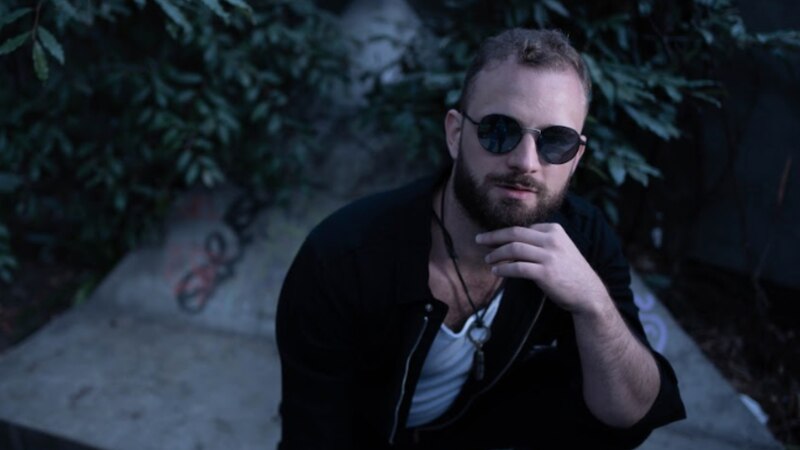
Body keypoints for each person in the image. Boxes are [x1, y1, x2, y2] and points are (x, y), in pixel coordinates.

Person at [276, 28, 686, 449]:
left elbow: (629, 415)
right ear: (456, 134)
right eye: (499, 131)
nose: (525, 162)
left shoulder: (582, 240)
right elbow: (315, 434)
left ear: (577, 156)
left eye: (556, 142)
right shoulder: (344, 258)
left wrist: (593, 304)